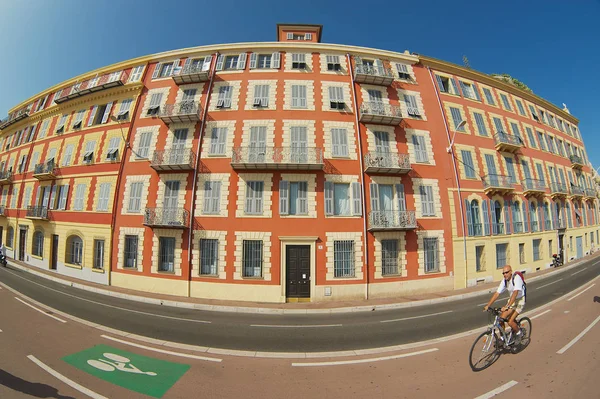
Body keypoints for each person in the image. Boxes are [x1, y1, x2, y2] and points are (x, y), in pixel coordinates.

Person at [483, 265, 525, 345]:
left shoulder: (516, 278)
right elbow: (497, 293)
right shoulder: (504, 281)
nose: (505, 274)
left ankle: (519, 333)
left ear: (511, 272)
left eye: (506, 272)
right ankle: (503, 337)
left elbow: (515, 293)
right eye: (503, 273)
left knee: (510, 321)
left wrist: (507, 306)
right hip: (512, 300)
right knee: (501, 319)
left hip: (520, 300)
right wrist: (488, 305)